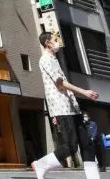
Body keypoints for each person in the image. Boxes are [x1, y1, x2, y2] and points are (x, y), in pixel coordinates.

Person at [32, 32, 101, 179]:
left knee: (87, 144)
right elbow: (60, 83)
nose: (58, 42)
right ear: (47, 43)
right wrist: (84, 92)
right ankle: (41, 164)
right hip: (60, 107)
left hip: (71, 107)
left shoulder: (54, 59)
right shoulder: (46, 59)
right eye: (55, 40)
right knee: (69, 146)